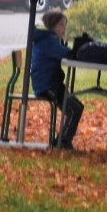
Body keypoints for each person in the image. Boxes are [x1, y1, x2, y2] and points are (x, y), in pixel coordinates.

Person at [31, 11, 84, 150]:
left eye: (64, 25)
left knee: (76, 107)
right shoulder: (48, 41)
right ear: (52, 26)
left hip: (52, 83)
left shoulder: (50, 40)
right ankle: (62, 142)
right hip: (47, 85)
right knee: (74, 109)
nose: (64, 29)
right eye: (61, 25)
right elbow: (67, 54)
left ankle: (62, 140)